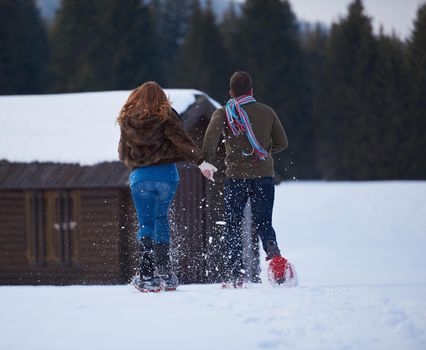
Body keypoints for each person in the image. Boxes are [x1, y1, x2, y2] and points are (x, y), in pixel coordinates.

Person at [118, 81, 217, 292]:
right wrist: (201, 162)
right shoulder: (167, 115)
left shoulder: (128, 120)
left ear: (137, 97)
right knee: (161, 218)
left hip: (141, 177)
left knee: (146, 223)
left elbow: (122, 153)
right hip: (167, 176)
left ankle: (146, 275)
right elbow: (181, 141)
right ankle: (164, 272)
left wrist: (138, 162)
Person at [203, 71, 289, 287]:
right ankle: (277, 264)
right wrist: (263, 152)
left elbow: (209, 142)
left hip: (235, 177)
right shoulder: (267, 112)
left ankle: (236, 275)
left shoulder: (223, 113)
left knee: (233, 224)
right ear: (251, 91)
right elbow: (283, 143)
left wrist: (211, 160)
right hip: (264, 176)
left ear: (230, 92)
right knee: (264, 223)